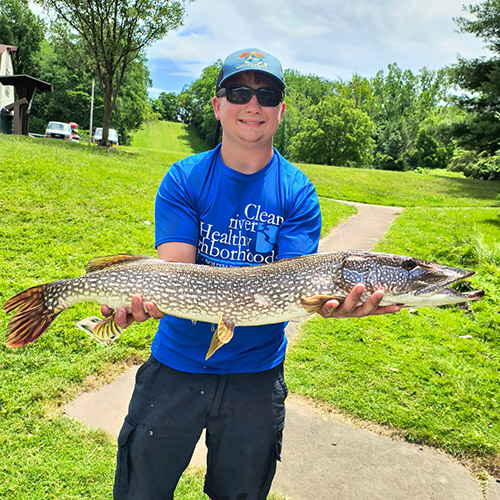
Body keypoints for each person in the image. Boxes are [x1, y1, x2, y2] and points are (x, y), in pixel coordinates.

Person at [109, 48, 401, 500]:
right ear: (217, 105)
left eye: (268, 94)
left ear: (281, 110)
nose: (253, 104)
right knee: (140, 491)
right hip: (175, 367)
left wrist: (334, 308)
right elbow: (178, 276)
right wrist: (142, 300)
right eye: (240, 91)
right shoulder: (185, 178)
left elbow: (302, 284)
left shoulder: (298, 191)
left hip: (256, 377)